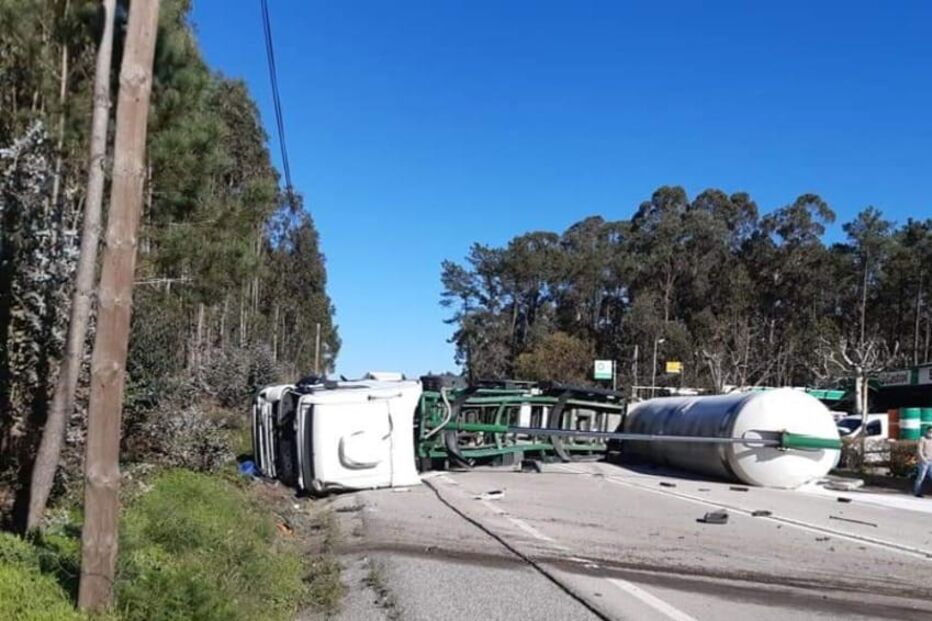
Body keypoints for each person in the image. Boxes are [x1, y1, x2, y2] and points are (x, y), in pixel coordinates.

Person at [914, 426, 932, 497]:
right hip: (924, 462)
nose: (931, 433)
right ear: (927, 431)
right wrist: (923, 459)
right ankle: (917, 492)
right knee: (921, 477)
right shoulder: (922, 439)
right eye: (930, 431)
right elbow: (919, 450)